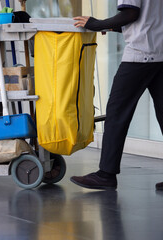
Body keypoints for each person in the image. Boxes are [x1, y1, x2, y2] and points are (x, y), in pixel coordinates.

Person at [70, 0, 163, 191]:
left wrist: (96, 23)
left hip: (140, 55)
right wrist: (113, 27)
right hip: (160, 54)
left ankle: (106, 174)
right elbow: (150, 19)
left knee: (116, 112)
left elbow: (130, 14)